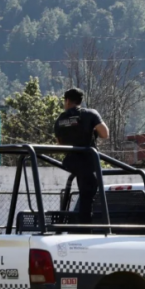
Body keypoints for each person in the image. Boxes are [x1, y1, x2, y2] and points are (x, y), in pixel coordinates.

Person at [54, 88, 109, 224]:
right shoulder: (90, 114)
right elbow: (105, 134)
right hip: (88, 161)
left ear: (67, 101)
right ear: (80, 100)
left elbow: (60, 144)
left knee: (84, 192)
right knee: (87, 196)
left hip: (71, 162)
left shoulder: (60, 119)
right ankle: (85, 227)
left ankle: (79, 224)